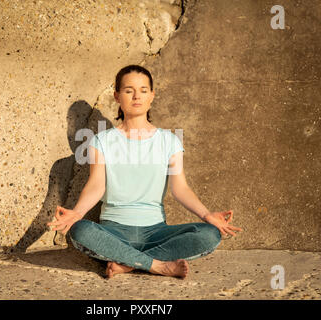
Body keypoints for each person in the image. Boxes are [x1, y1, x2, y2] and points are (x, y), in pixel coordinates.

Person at [47, 65, 242, 279]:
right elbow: (96, 185)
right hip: (114, 231)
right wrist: (77, 213)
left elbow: (180, 188)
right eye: (129, 90)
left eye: (143, 90)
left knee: (209, 235)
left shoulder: (169, 141)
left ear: (152, 96)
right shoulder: (102, 141)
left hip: (157, 232)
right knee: (80, 231)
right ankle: (156, 264)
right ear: (117, 96)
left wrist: (207, 215)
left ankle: (128, 262)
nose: (136, 96)